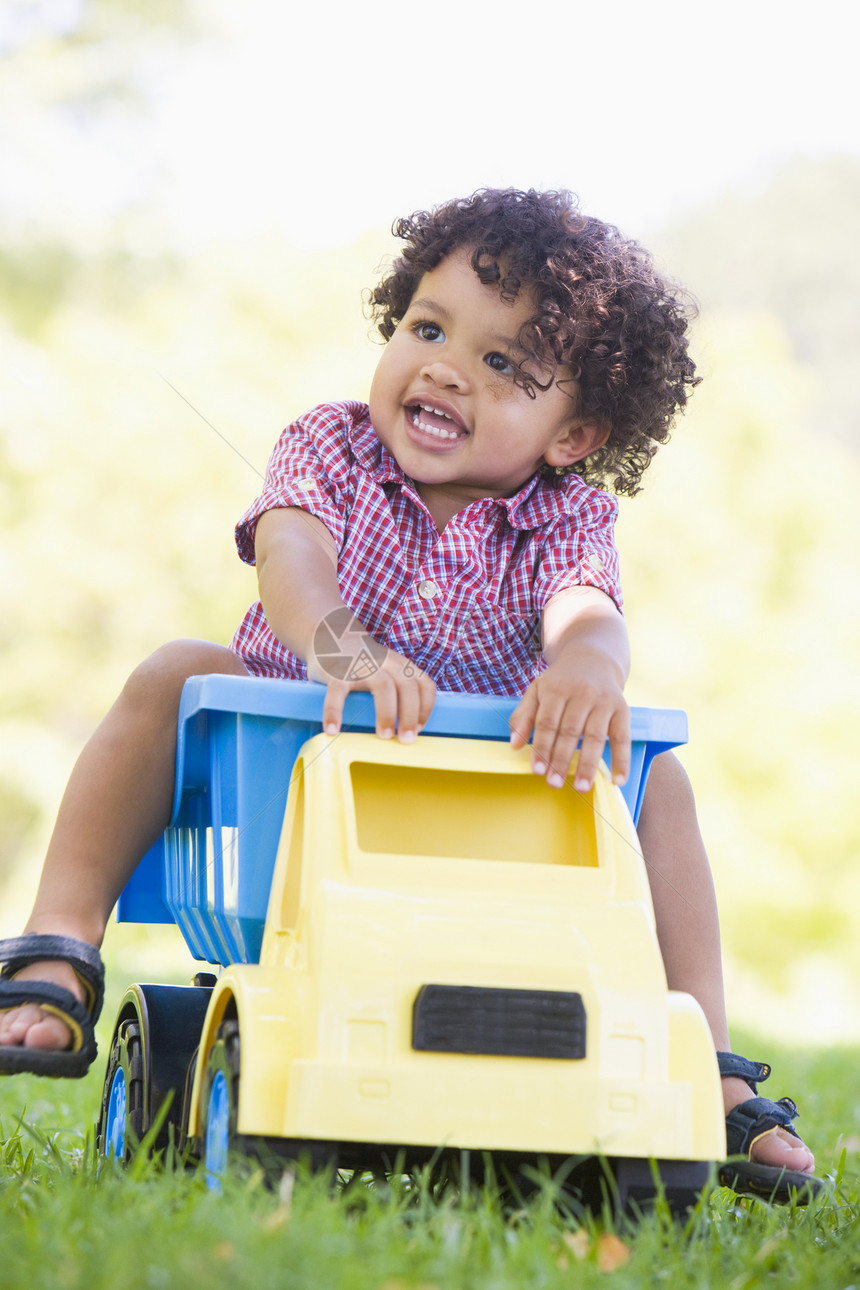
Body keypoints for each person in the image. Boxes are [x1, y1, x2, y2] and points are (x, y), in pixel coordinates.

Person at [0, 188, 819, 1199]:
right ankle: (60, 945)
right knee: (176, 669)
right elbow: (290, 555)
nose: (442, 365)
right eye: (426, 327)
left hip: (492, 820)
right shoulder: (331, 447)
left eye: (502, 365)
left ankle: (704, 1052)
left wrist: (585, 672)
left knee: (661, 784)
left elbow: (586, 612)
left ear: (570, 433)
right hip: (298, 770)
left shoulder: (564, 515)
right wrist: (341, 649)